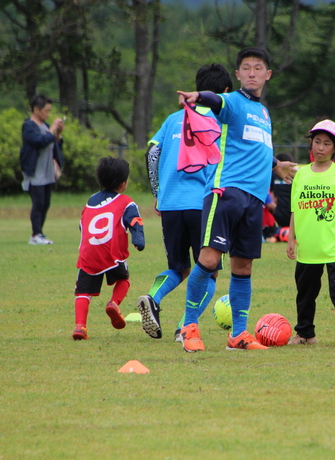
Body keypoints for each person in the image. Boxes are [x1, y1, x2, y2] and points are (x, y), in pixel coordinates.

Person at [176, 47, 297, 352]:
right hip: (226, 192)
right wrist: (198, 96)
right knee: (208, 260)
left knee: (243, 268)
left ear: (267, 75)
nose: (253, 72)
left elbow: (255, 148)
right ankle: (188, 328)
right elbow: (216, 100)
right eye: (247, 68)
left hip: (254, 200)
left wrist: (277, 166)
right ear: (239, 74)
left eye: (258, 68)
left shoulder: (264, 113)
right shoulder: (232, 101)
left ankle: (238, 335)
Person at [137, 64, 233, 342]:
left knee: (179, 267)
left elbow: (153, 152)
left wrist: (157, 191)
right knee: (210, 271)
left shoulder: (172, 119)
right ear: (225, 93)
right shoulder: (219, 122)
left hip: (170, 204)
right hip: (203, 204)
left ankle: (153, 298)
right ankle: (184, 327)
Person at [286, 120, 335, 347]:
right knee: (305, 293)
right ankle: (305, 334)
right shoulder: (300, 174)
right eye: (317, 142)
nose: (320, 147)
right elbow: (295, 209)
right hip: (308, 247)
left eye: (326, 143)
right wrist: (291, 237)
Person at [72, 156, 145, 340]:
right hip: (112, 254)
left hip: (88, 255)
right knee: (124, 280)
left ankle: (80, 326)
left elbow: (82, 225)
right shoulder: (126, 202)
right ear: (123, 183)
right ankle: (114, 303)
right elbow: (135, 221)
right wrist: (138, 240)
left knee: (83, 292)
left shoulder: (90, 201)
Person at [20, 94, 64, 245]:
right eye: (46, 110)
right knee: (38, 203)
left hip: (47, 172)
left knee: (45, 203)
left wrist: (58, 133)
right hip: (35, 172)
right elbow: (40, 141)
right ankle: (35, 235)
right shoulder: (29, 126)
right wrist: (52, 129)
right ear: (36, 110)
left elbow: (55, 145)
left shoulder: (45, 126)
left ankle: (39, 233)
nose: (48, 114)